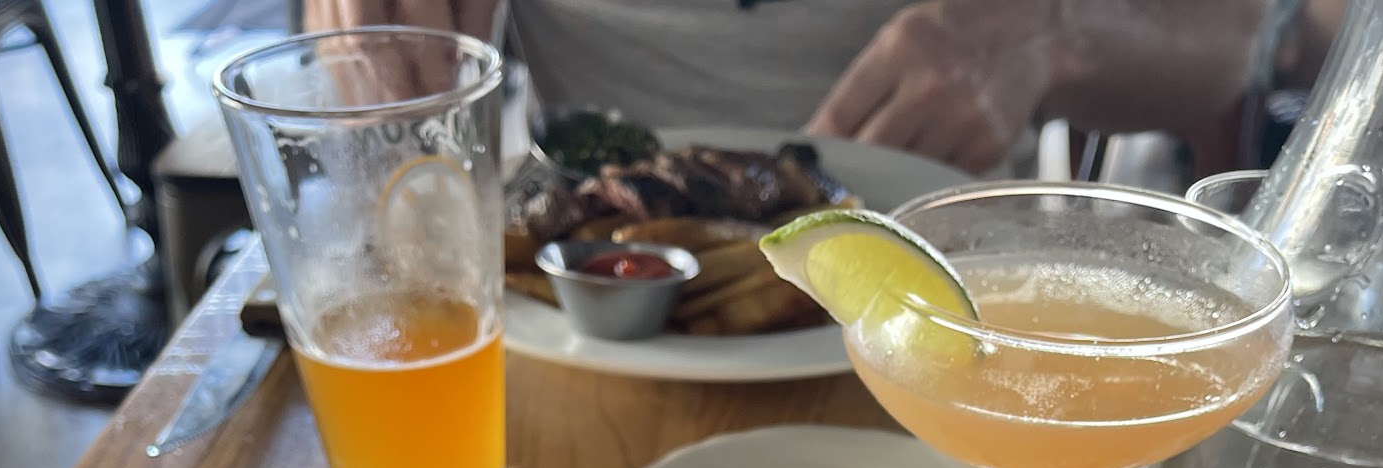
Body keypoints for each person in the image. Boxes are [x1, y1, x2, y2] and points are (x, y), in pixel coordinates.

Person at [303, 0, 1288, 176]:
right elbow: (346, 50)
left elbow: (1238, 34)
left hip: (938, 309)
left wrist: (1052, 31)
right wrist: (361, 28)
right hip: (576, 292)